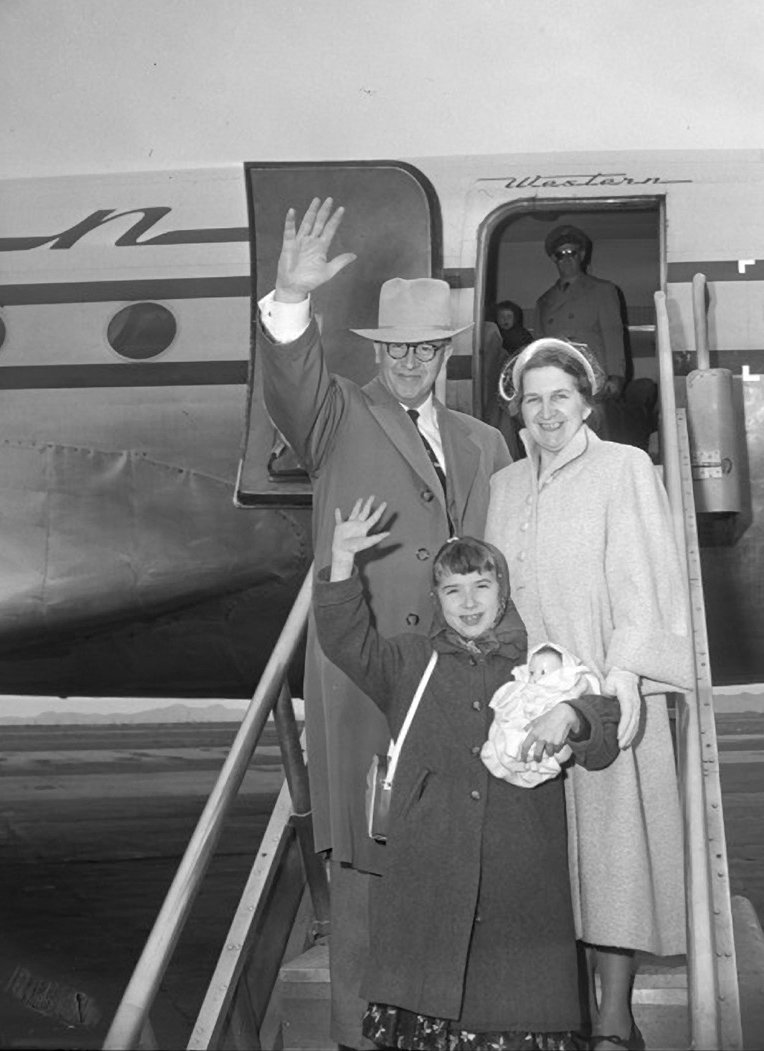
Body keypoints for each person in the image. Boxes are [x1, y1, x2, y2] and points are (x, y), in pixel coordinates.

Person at [256, 197, 512, 1049]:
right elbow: (291, 383)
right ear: (379, 352)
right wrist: (290, 299)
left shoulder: (484, 442)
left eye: (424, 346)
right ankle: (355, 1041)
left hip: (458, 684)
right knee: (366, 868)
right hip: (369, 677)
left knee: (453, 855)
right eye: (395, 345)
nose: (409, 359)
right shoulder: (337, 418)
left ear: (444, 352)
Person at [314, 496, 621, 1050]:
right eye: (453, 590)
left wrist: (572, 711)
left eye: (481, 585)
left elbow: (604, 730)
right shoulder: (410, 662)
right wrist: (341, 562)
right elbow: (345, 641)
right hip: (429, 873)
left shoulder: (540, 665)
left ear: (502, 592)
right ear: (437, 600)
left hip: (520, 878)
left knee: (516, 1008)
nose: (469, 601)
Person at [485, 338, 694, 1051]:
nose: (546, 411)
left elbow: (644, 578)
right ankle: (556, 1009)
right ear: (517, 405)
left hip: (600, 693)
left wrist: (620, 681)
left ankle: (613, 1019)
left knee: (613, 858)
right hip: (524, 699)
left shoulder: (623, 467)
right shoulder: (504, 486)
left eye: (561, 396)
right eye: (533, 397)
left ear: (586, 401)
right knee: (546, 861)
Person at [481, 642, 618, 788]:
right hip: (523, 729)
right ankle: (510, 756)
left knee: (553, 751)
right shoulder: (522, 688)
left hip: (551, 742)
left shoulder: (568, 691)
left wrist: (569, 712)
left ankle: (530, 763)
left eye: (543, 672)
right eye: (532, 672)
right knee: (508, 737)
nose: (534, 678)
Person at [535, 225, 629, 398]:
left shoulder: (603, 290)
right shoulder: (543, 301)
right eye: (560, 254)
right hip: (557, 378)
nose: (566, 258)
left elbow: (613, 333)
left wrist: (616, 376)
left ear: (582, 255)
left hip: (593, 376)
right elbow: (540, 346)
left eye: (572, 252)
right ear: (553, 259)